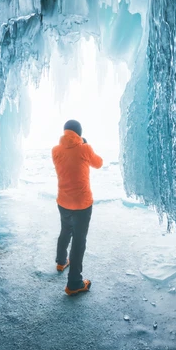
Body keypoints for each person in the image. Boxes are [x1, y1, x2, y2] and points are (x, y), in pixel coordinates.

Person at [51, 119, 103, 295]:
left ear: (65, 132)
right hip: (81, 204)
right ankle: (74, 283)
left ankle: (60, 261)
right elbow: (98, 163)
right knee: (79, 242)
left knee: (65, 231)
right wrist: (86, 145)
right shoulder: (84, 149)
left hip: (63, 202)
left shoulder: (55, 150)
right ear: (79, 133)